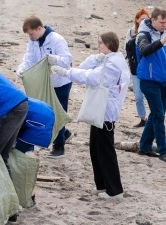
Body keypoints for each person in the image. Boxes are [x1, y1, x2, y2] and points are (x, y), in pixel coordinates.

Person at [51, 32, 129, 199]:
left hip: (106, 111)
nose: (98, 46)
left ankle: (114, 190)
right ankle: (102, 185)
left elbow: (91, 77)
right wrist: (96, 57)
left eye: (100, 43)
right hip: (101, 109)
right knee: (95, 148)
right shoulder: (110, 59)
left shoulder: (113, 64)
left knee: (105, 149)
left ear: (108, 44)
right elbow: (86, 66)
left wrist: (66, 73)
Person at [15, 16, 73, 158]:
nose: (30, 36)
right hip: (43, 83)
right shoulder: (32, 42)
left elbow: (67, 60)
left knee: (57, 111)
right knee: (44, 110)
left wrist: (54, 60)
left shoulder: (56, 39)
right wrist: (21, 69)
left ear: (40, 28)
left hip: (60, 82)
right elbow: (29, 59)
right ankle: (64, 133)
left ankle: (59, 146)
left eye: (31, 33)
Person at [135, 7, 166, 164]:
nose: (164, 25)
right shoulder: (143, 34)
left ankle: (145, 146)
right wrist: (161, 41)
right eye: (161, 22)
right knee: (158, 116)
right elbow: (144, 50)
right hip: (149, 81)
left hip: (163, 81)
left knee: (156, 115)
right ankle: (164, 150)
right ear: (152, 20)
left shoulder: (164, 33)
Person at [124, 8, 150, 128]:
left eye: (146, 19)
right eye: (142, 19)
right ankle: (143, 118)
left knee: (149, 94)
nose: (144, 21)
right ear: (137, 20)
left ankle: (153, 117)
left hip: (148, 68)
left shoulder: (151, 32)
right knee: (138, 96)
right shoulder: (130, 32)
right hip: (135, 68)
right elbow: (126, 49)